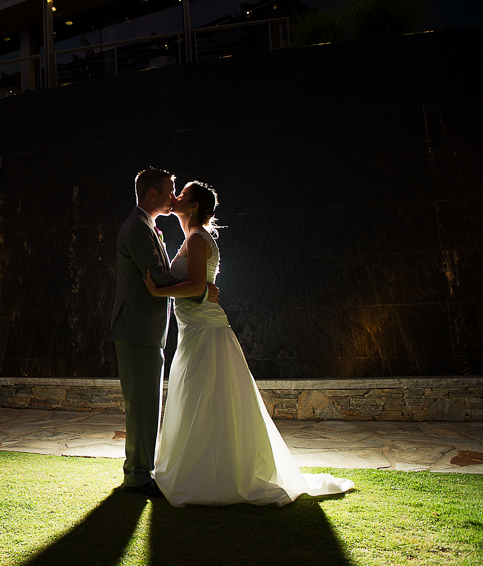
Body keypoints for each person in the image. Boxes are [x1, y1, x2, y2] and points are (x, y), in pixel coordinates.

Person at [144, 181, 354, 506]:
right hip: (193, 329)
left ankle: (212, 478)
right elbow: (198, 286)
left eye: (182, 195)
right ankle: (194, 471)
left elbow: (198, 286)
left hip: (205, 330)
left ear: (195, 205)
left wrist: (158, 292)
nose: (175, 198)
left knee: (206, 399)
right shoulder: (192, 239)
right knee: (196, 399)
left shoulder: (198, 239)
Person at [109, 168, 218, 497]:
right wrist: (202, 290)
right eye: (170, 190)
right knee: (142, 404)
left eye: (178, 193)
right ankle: (139, 476)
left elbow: (159, 280)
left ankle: (141, 471)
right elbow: (156, 276)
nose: (173, 197)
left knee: (145, 402)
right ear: (153, 194)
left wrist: (197, 289)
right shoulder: (139, 228)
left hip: (145, 328)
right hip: (138, 328)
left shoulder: (147, 226)